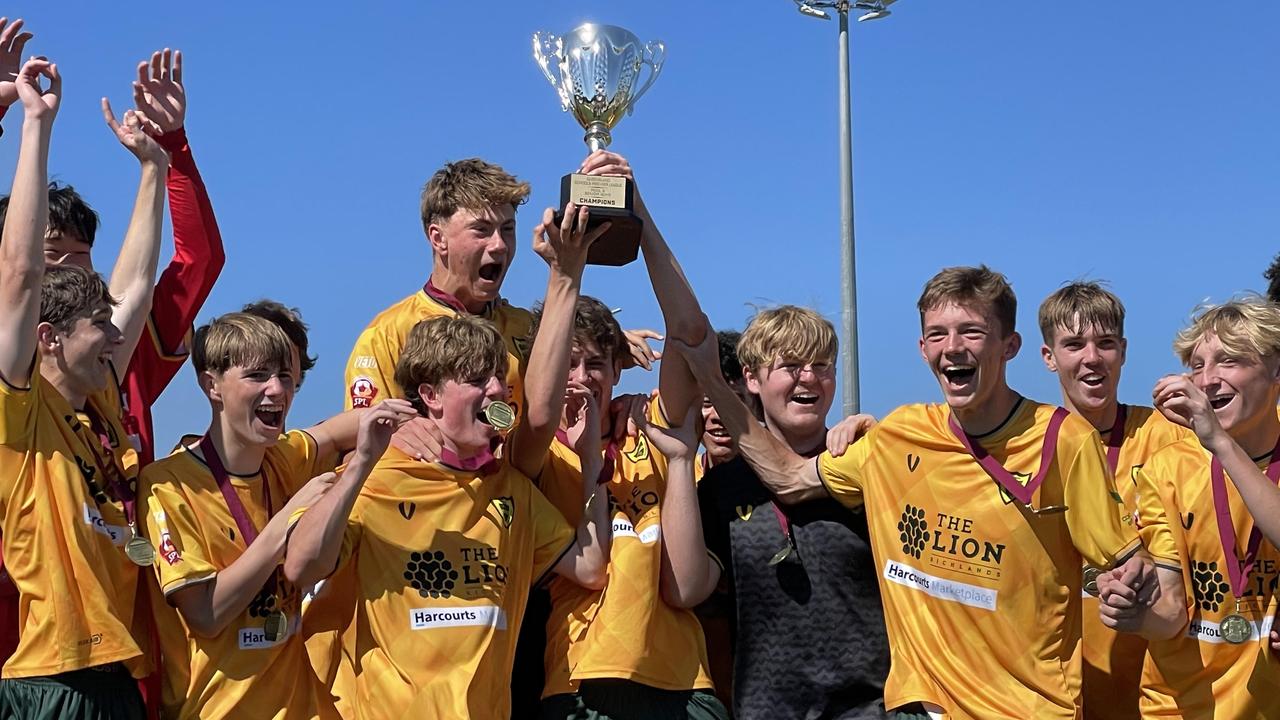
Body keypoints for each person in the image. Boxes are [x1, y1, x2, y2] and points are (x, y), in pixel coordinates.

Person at [676, 265, 1151, 719]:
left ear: (1010, 346)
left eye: (971, 331)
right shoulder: (896, 437)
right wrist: (707, 390)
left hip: (1025, 707)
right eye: (939, 334)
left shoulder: (1065, 440)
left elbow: (1131, 566)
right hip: (918, 707)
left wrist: (1128, 589)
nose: (954, 347)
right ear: (923, 348)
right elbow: (786, 477)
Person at [287, 202, 612, 718]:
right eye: (476, 380)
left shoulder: (512, 490)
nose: (498, 391)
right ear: (429, 396)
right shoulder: (376, 479)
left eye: (498, 379)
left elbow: (591, 567)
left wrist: (591, 466)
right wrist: (357, 468)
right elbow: (301, 567)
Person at [137, 312, 411, 719]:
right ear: (211, 385)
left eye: (285, 376)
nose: (277, 389)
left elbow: (339, 430)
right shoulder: (168, 485)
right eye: (258, 375)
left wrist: (419, 420)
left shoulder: (283, 457)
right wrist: (285, 521)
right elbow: (207, 615)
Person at [536, 151, 726, 720]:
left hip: (682, 685)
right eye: (566, 363)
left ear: (618, 369)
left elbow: (691, 334)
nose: (581, 378)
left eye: (594, 364)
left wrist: (636, 216)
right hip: (577, 683)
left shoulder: (650, 425)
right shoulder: (534, 451)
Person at [0, 56, 150, 718]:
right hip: (52, 676)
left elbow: (139, 283)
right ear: (50, 338)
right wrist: (36, 124)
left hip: (113, 670)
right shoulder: (21, 409)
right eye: (100, 327)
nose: (117, 340)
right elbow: (20, 272)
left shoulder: (102, 408)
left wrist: (154, 170)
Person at [696, 305, 889, 719]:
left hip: (870, 708)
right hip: (765, 711)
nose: (808, 377)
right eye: (790, 365)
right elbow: (695, 598)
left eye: (821, 365)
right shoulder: (720, 486)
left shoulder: (868, 464)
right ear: (751, 379)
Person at [1099, 297, 1280, 718]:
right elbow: (1171, 614)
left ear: (1275, 369)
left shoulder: (1215, 445)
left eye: (1229, 360)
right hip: (1181, 708)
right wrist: (1133, 611)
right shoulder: (1169, 469)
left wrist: (1220, 442)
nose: (1209, 379)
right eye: (1198, 366)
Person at [1037, 281, 1188, 719]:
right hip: (1057, 699)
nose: (1091, 358)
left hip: (1161, 699)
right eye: (1073, 344)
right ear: (1049, 357)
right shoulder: (1023, 446)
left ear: (1122, 351)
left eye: (1104, 344)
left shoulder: (1171, 438)